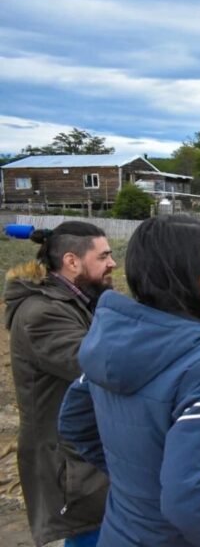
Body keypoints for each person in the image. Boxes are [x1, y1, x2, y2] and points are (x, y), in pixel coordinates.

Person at [58, 215, 200, 547]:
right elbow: (194, 501)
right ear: (193, 277)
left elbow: (74, 422)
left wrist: (137, 484)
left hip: (119, 532)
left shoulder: (108, 340)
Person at [4, 221, 113, 547]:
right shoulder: (42, 314)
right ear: (72, 261)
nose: (113, 263)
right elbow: (102, 364)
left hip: (83, 456)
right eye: (104, 256)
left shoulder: (78, 301)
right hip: (69, 461)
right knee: (92, 536)